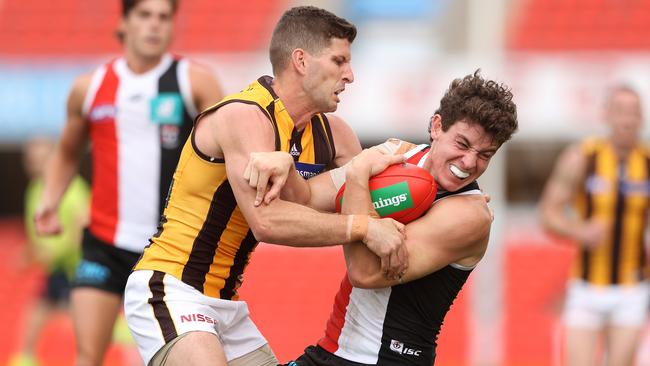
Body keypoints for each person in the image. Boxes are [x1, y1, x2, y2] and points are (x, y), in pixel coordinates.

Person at [123, 5, 408, 366]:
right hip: (172, 288)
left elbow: (375, 195)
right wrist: (364, 228)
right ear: (301, 61)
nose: (350, 75)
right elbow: (267, 222)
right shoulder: (244, 115)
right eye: (339, 61)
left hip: (227, 306)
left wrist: (450, 191)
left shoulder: (335, 134)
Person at [246, 70, 518, 365]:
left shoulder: (469, 216)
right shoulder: (398, 154)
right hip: (332, 351)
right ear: (437, 126)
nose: (469, 163)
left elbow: (363, 273)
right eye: (462, 144)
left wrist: (360, 177)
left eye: (485, 155)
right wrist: (282, 161)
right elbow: (306, 198)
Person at [33, 1, 224, 365]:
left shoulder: (194, 81)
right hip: (104, 243)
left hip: (170, 250)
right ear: (124, 22)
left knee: (170, 357)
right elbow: (67, 152)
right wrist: (49, 200)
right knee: (88, 356)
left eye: (163, 17)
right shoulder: (89, 87)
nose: (154, 25)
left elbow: (225, 150)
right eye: (145, 15)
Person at [539, 84, 650, 366]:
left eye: (634, 113)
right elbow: (547, 214)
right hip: (586, 287)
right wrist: (579, 230)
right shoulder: (582, 157)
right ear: (606, 115)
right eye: (620, 112)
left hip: (631, 288)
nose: (627, 120)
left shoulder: (647, 162)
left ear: (642, 118)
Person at [9, 138, 89, 366]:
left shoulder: (71, 187)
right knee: (37, 311)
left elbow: (82, 229)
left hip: (79, 268)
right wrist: (30, 253)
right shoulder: (34, 190)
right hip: (58, 269)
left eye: (39, 156)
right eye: (30, 156)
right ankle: (26, 357)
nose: (32, 161)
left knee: (82, 320)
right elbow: (38, 238)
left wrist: (50, 252)